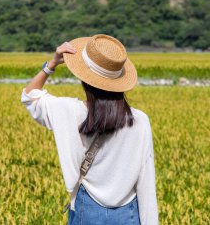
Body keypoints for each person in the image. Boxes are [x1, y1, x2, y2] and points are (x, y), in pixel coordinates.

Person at [21, 34, 159, 224]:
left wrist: (52, 64)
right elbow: (146, 179)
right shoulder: (140, 121)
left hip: (87, 211)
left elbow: (29, 96)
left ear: (84, 79)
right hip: (128, 214)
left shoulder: (69, 111)